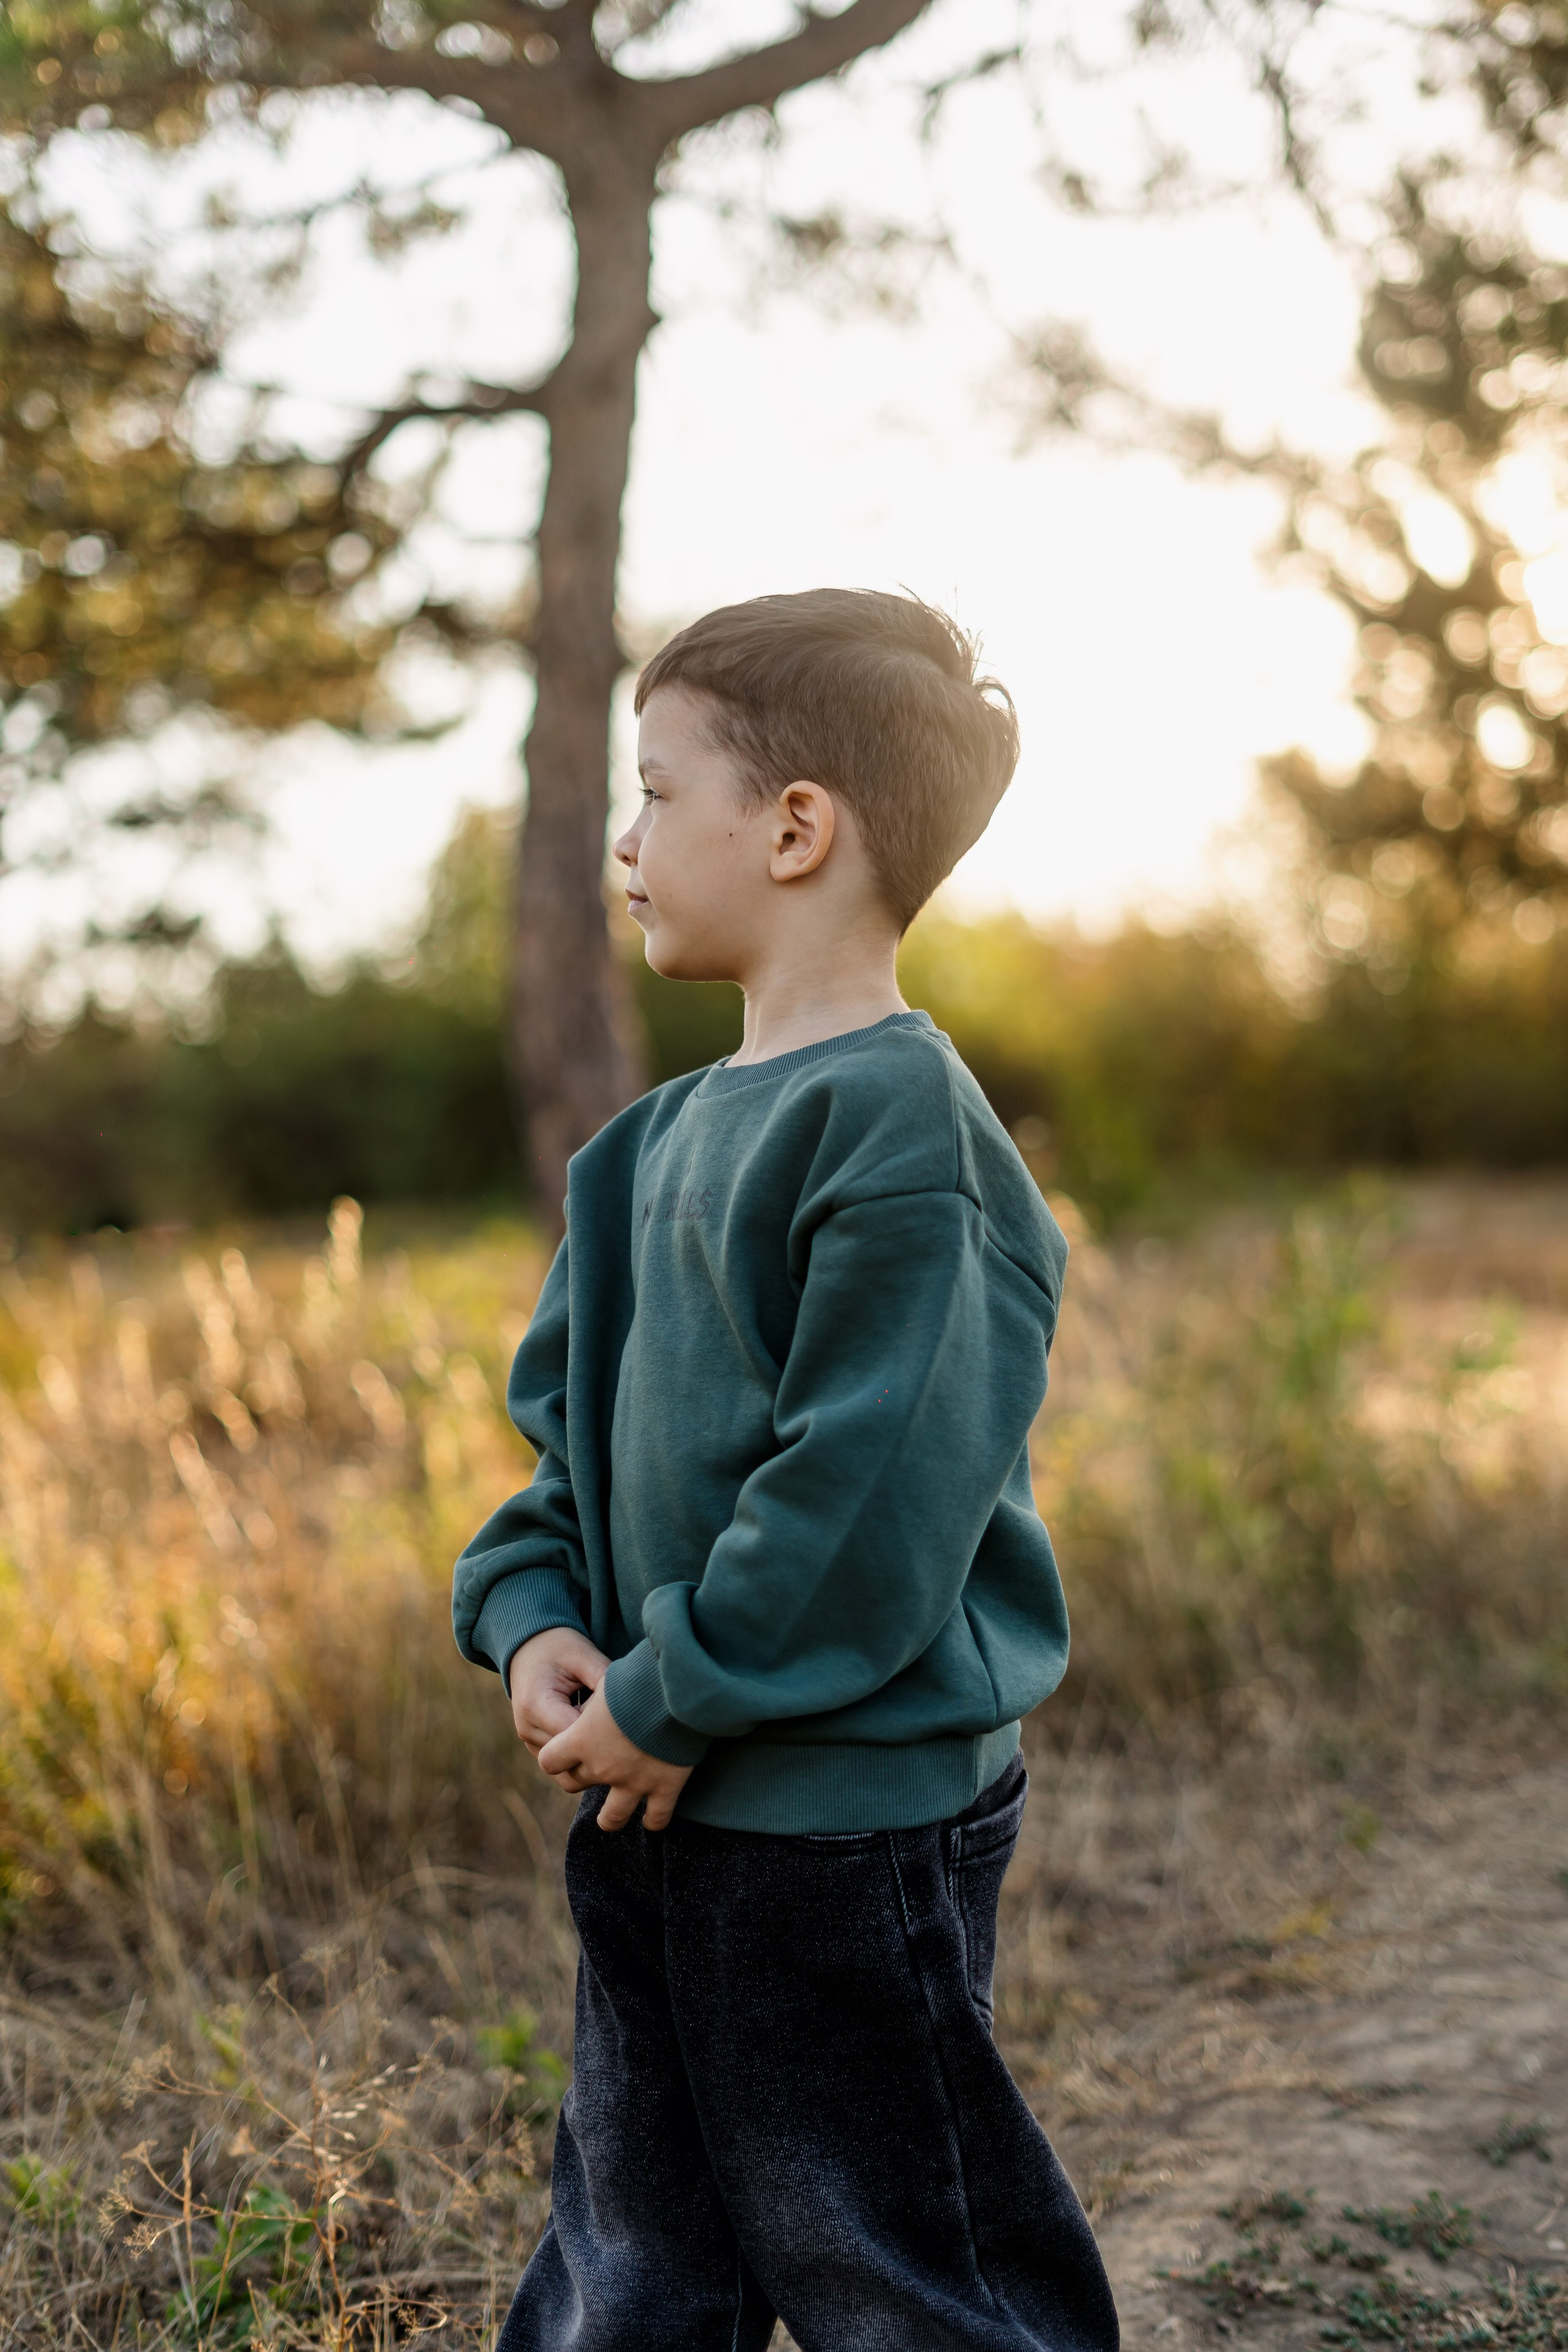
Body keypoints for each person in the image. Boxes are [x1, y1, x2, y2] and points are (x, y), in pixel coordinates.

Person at [453, 589, 1119, 2352]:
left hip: (840, 1823)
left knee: (895, 2255)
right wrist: (531, 1619)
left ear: (799, 826)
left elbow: (866, 1500)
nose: (625, 837)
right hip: (648, 1793)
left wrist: (682, 1686)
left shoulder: (906, 1132)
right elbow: (562, 1455)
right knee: (633, 2253)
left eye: (659, 792)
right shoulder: (644, 1147)